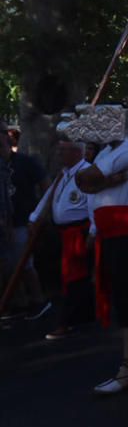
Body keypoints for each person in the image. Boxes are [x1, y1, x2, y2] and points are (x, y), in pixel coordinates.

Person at [76, 134, 128, 394]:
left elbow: (87, 179)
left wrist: (100, 182)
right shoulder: (105, 153)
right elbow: (83, 183)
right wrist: (106, 181)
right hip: (112, 233)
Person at [27, 140, 91, 339]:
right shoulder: (64, 173)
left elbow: (94, 202)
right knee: (67, 276)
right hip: (61, 232)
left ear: (76, 152)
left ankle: (67, 321)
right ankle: (80, 316)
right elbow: (49, 196)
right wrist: (35, 217)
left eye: (62, 150)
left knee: (74, 277)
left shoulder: (88, 173)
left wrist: (94, 231)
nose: (58, 154)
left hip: (78, 231)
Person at [0, 130, 48, 319]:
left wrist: (40, 215)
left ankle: (39, 301)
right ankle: (18, 302)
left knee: (24, 264)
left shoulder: (25, 162)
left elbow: (46, 185)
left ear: (7, 138)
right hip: (4, 224)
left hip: (23, 220)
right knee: (7, 265)